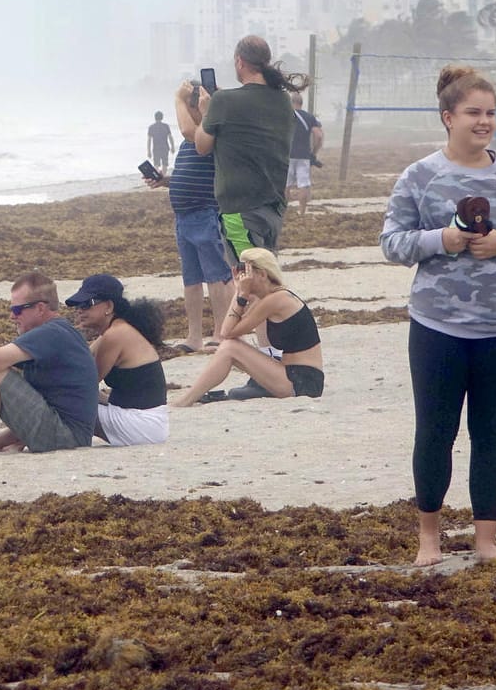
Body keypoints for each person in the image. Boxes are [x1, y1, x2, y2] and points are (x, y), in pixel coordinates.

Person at [380, 65, 496, 565]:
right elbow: (391, 242)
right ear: (448, 117)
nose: (484, 122)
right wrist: (442, 240)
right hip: (437, 325)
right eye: (473, 113)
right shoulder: (419, 175)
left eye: (490, 112)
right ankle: (428, 538)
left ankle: (486, 541)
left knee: (491, 433)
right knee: (435, 431)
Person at [0, 272, 98, 456]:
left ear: (40, 308)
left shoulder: (51, 333)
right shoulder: (56, 332)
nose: (12, 316)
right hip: (68, 432)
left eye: (18, 310)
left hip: (67, 438)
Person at [194, 35, 309, 257]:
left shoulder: (223, 101)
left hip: (240, 208)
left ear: (239, 61)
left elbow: (202, 145)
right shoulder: (283, 100)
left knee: (249, 282)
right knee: (264, 276)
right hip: (272, 207)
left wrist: (206, 111)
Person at [142, 80, 233, 353]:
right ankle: (194, 336)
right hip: (183, 216)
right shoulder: (187, 143)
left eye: (189, 108)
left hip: (205, 212)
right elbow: (187, 174)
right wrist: (164, 180)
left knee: (216, 275)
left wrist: (178, 99)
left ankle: (220, 332)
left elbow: (187, 129)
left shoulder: (209, 135)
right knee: (191, 280)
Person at [170, 248, 324, 406]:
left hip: (303, 381)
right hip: (290, 373)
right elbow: (230, 330)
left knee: (229, 347)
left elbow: (227, 333)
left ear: (263, 275)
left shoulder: (278, 299)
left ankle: (185, 400)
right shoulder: (268, 298)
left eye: (247, 273)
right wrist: (239, 292)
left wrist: (241, 295)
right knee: (230, 346)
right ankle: (189, 398)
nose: (243, 277)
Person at [66, 275, 169, 446]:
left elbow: (85, 383)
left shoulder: (115, 335)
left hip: (142, 424)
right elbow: (84, 361)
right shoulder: (116, 330)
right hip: (151, 424)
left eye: (86, 304)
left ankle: (14, 440)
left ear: (108, 306)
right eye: (78, 305)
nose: (80, 310)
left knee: (63, 400)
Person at [287, 90, 324, 213]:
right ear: (301, 103)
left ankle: (283, 212)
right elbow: (318, 135)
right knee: (303, 184)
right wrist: (314, 152)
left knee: (285, 184)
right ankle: (301, 211)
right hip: (303, 155)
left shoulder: (284, 115)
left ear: (290, 102)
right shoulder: (309, 117)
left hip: (287, 154)